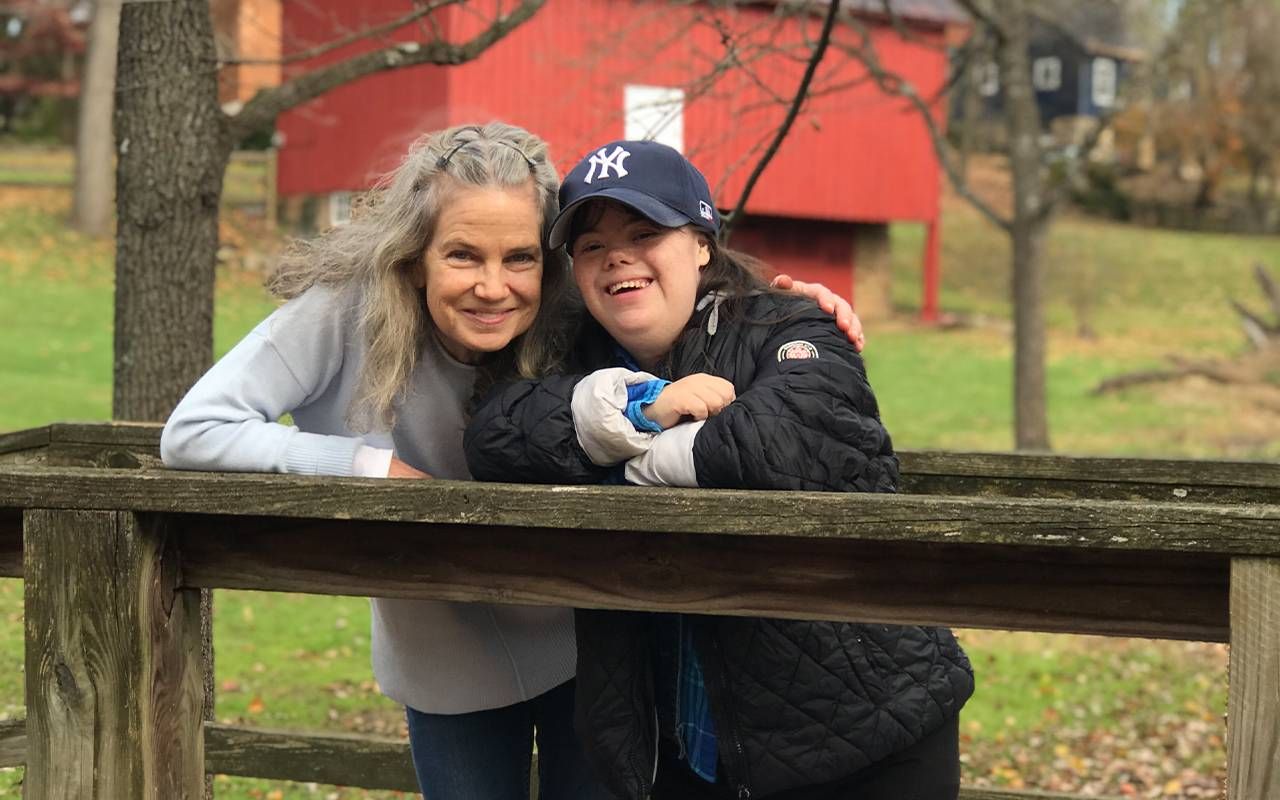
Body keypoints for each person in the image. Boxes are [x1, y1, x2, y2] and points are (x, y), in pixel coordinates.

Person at [161, 122, 865, 800]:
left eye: (520, 258)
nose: (493, 287)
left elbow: (670, 303)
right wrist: (369, 468)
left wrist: (788, 310)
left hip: (587, 645)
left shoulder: (565, 308)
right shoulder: (342, 315)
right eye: (463, 255)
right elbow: (194, 430)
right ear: (414, 254)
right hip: (442, 654)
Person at [464, 140, 974, 800]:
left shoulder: (790, 323)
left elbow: (785, 444)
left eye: (645, 232)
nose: (616, 255)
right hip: (678, 754)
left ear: (702, 242)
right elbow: (495, 438)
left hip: (864, 733)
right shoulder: (567, 359)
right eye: (590, 245)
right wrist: (643, 407)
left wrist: (623, 455)